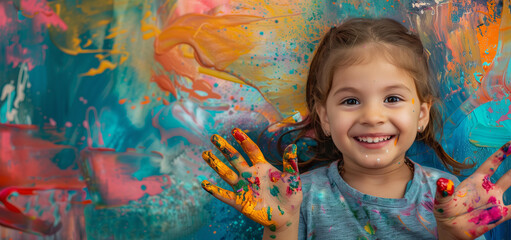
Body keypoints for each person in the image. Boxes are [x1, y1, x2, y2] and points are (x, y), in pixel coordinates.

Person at [199, 17, 511, 240]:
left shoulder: (448, 195)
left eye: (392, 98)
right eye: (350, 101)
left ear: (422, 115)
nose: (372, 116)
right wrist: (280, 228)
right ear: (323, 116)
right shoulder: (297, 196)